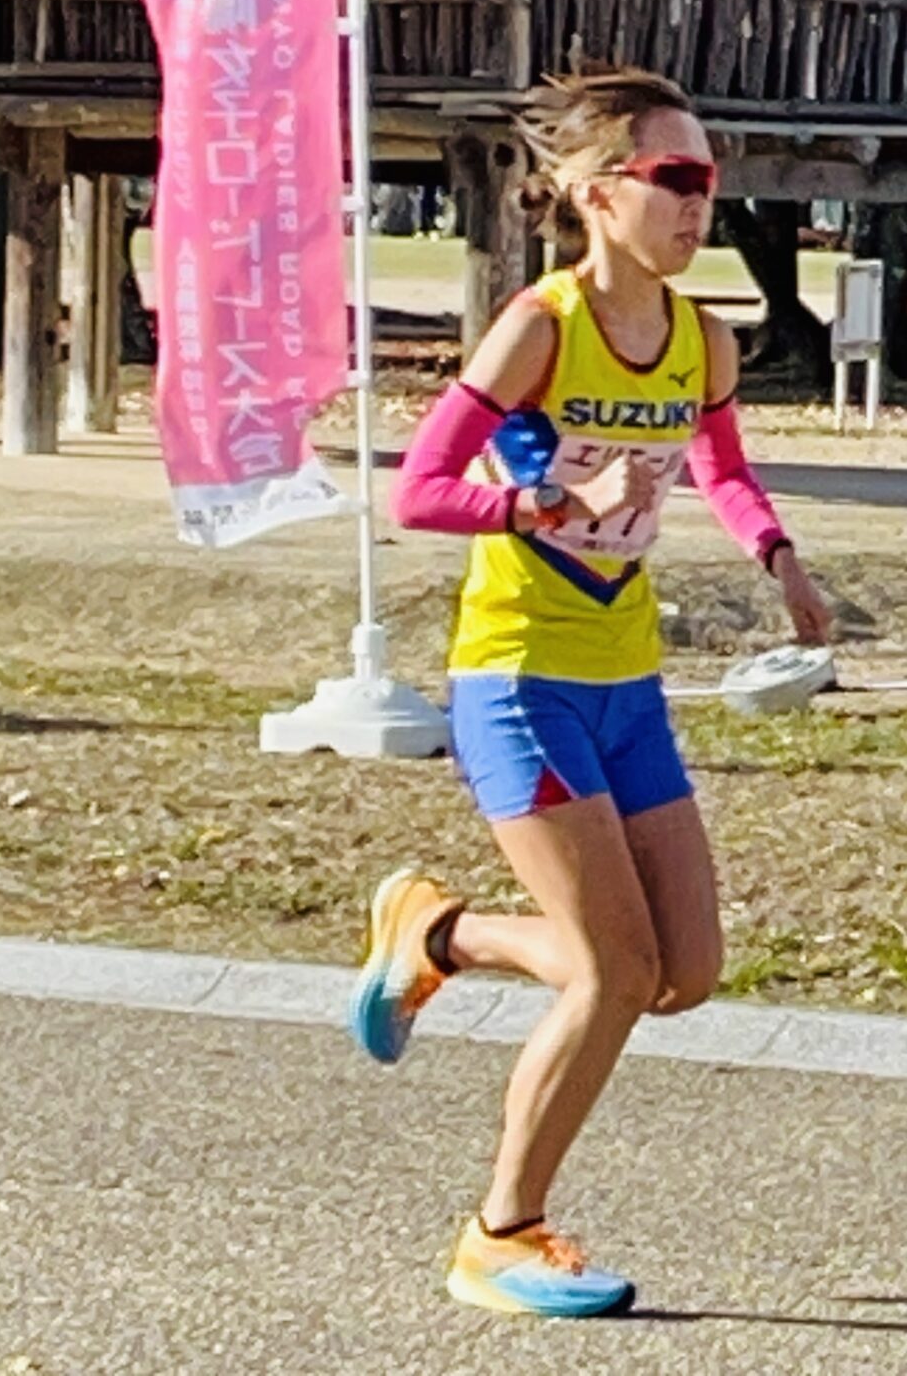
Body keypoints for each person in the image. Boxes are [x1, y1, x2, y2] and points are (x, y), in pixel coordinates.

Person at [349, 66, 832, 1318]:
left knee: (685, 971)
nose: (699, 202)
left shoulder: (701, 337)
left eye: (710, 180)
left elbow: (720, 468)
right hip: (516, 680)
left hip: (628, 681)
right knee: (613, 975)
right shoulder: (540, 327)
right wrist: (545, 505)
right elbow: (419, 493)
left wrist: (777, 557)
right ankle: (501, 1232)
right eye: (676, 179)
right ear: (598, 191)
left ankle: (440, 936)